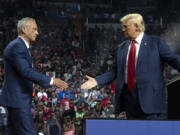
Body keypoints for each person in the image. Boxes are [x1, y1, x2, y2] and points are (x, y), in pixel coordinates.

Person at [80, 13, 180, 120]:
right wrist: (97, 81)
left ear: (137, 26)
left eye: (125, 26)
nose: (122, 29)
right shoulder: (122, 48)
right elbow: (115, 71)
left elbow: (174, 59)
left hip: (151, 101)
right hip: (130, 102)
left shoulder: (155, 43)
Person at [0, 17, 68, 135]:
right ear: (24, 29)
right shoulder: (17, 46)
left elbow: (25, 74)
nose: (37, 33)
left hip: (17, 99)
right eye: (34, 29)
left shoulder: (21, 47)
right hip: (18, 100)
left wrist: (50, 84)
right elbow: (25, 72)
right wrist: (52, 80)